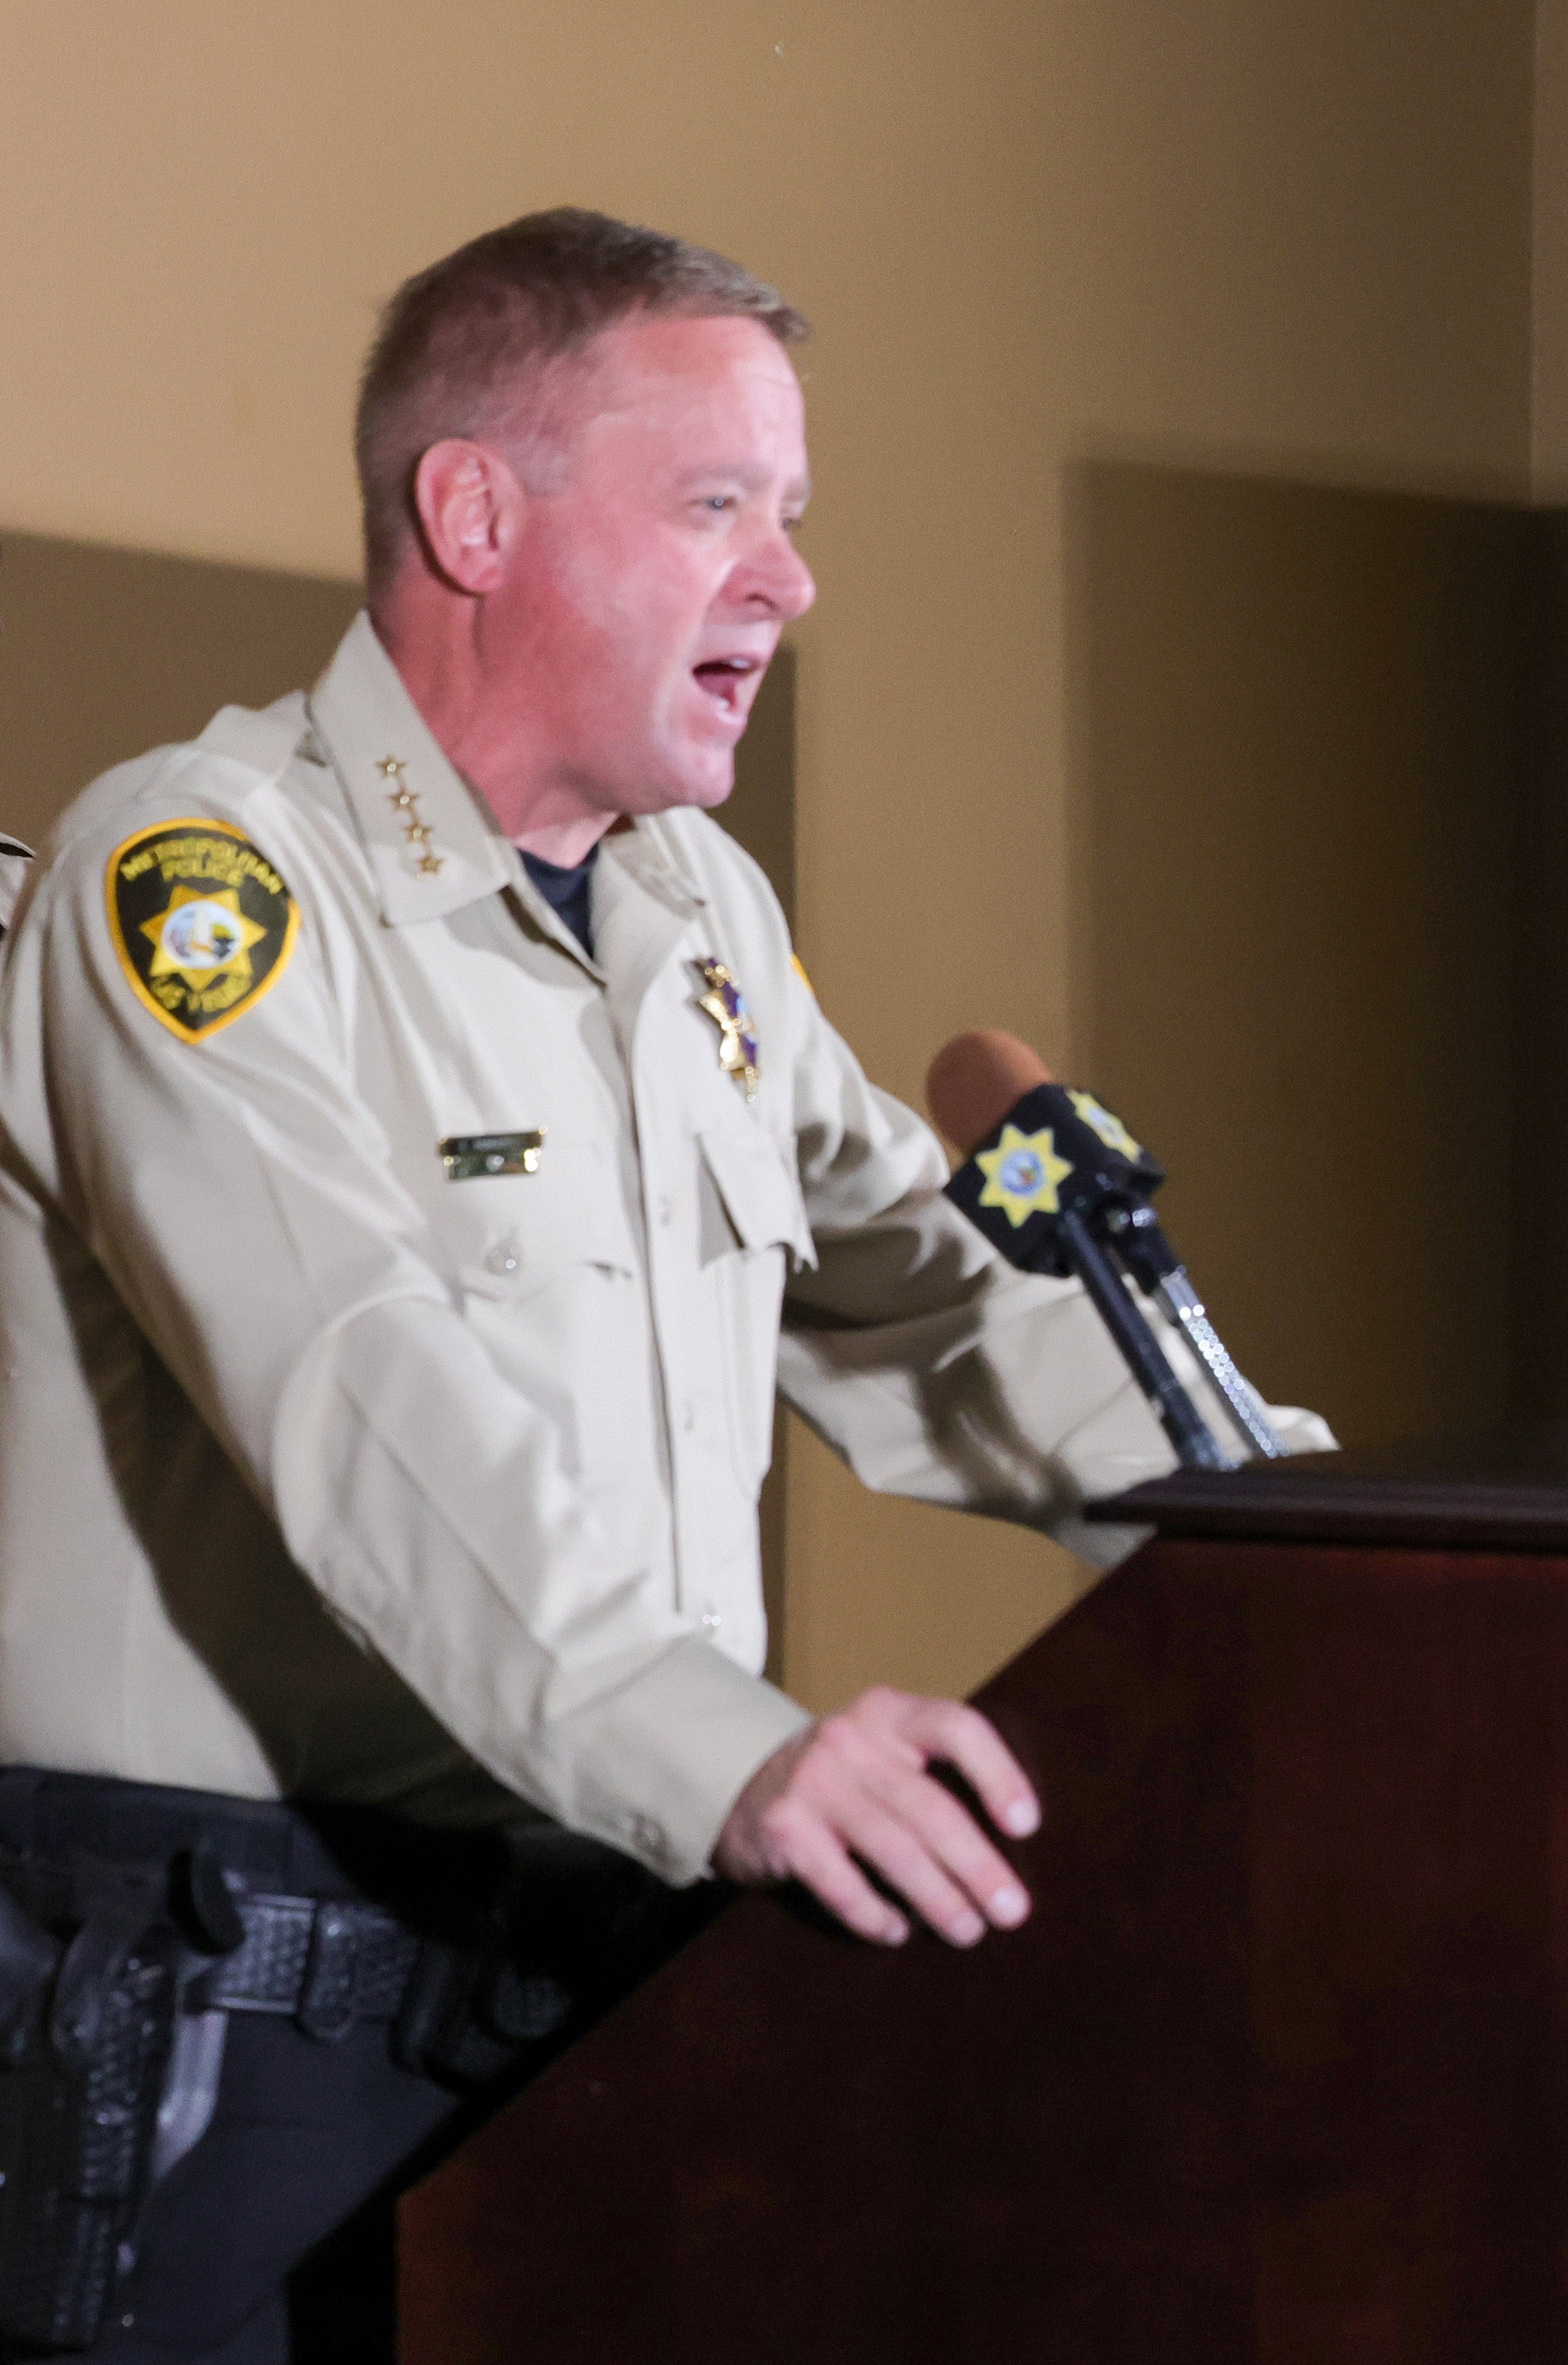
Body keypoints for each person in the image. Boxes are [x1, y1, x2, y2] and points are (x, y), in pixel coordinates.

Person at [0, 209, 1330, 2359]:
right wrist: (736, 1755)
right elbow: (354, 1371)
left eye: (787, 518)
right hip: (232, 2015)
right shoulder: (200, 884)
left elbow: (925, 1292)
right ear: (475, 512)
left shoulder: (685, 905)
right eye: (718, 506)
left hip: (596, 1970)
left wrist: (1324, 1545)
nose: (787, 580)